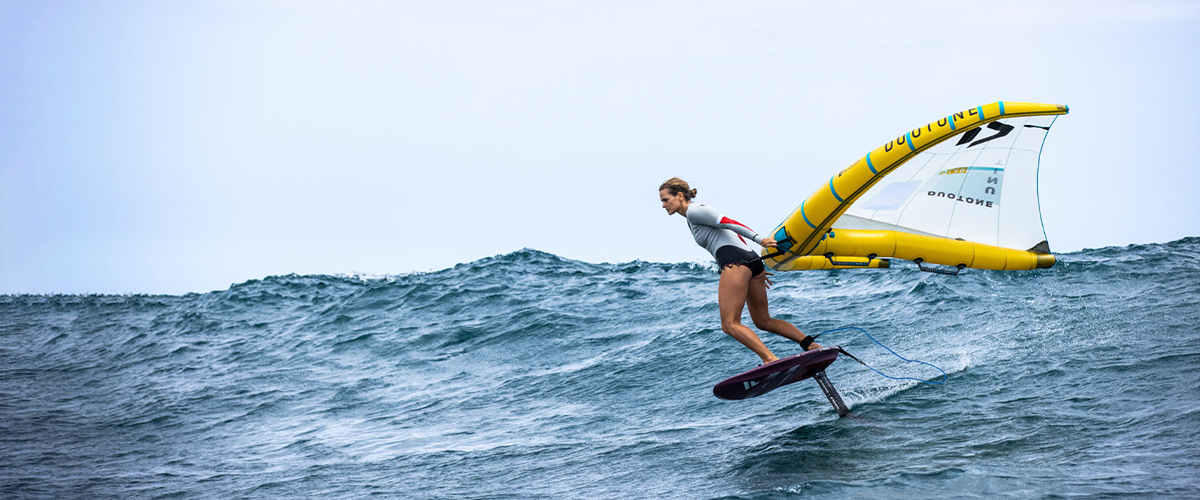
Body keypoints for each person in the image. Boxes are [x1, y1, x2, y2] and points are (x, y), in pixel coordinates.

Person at [659, 177, 820, 364]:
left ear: (679, 195)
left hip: (735, 262)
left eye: (665, 199)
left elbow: (727, 222)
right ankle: (810, 345)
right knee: (763, 321)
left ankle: (769, 359)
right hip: (748, 262)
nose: (663, 205)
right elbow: (730, 236)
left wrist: (759, 240)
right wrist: (751, 268)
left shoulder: (695, 210)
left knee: (729, 324)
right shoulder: (692, 216)